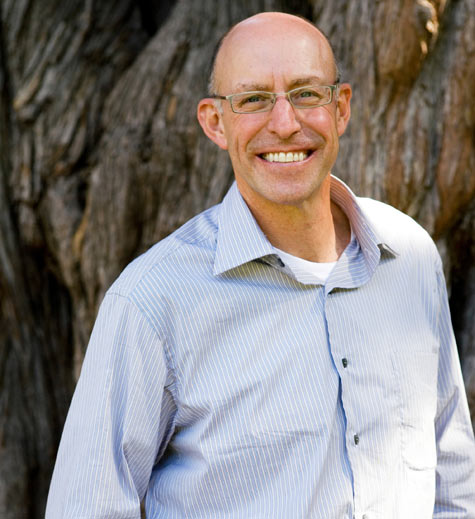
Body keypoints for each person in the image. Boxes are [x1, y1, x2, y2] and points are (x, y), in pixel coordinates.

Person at [46, 12, 475, 519]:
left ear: (340, 108)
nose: (285, 124)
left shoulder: (410, 259)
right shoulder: (151, 302)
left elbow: (454, 484)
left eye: (307, 94)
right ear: (215, 122)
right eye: (253, 100)